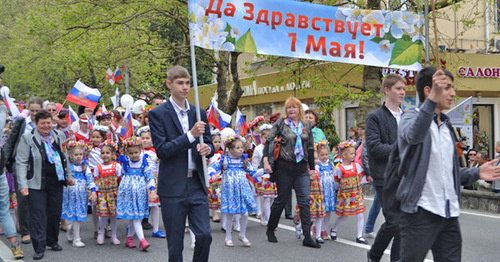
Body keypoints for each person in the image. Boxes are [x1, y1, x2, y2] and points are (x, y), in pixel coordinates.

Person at [397, 67, 500, 261]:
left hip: (449, 214)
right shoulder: (409, 118)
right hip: (420, 212)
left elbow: (447, 172)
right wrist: (431, 102)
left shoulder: (447, 126)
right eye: (447, 88)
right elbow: (414, 135)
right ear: (430, 90)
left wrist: (477, 173)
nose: (453, 93)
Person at [149, 65, 214, 262]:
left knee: (204, 235)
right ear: (169, 84)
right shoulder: (158, 114)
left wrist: (208, 149)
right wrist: (190, 136)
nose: (185, 87)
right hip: (173, 186)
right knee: (175, 244)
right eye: (180, 83)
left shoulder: (199, 112)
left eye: (187, 83)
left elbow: (209, 141)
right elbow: (163, 150)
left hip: (196, 183)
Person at [16, 110, 74, 260]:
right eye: (43, 123)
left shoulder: (58, 136)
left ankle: (52, 241)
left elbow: (64, 157)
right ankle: (39, 247)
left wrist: (69, 175)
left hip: (56, 181)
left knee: (54, 213)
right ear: (36, 124)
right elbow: (21, 161)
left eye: (48, 122)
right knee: (38, 216)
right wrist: (22, 184)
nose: (46, 126)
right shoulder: (28, 138)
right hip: (35, 183)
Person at [263, 96, 320, 248]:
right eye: (289, 107)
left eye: (294, 107)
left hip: (301, 168)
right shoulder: (281, 123)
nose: (291, 110)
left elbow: (309, 147)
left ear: (299, 109)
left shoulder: (305, 124)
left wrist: (312, 168)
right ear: (286, 110)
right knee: (281, 199)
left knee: (304, 203)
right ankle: (270, 229)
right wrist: (265, 160)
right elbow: (269, 140)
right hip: (284, 167)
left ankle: (307, 237)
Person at [365, 74, 406, 262]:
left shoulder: (406, 117)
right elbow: (374, 148)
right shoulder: (375, 117)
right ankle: (374, 254)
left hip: (405, 176)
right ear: (387, 90)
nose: (403, 92)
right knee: (394, 221)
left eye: (404, 89)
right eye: (399, 88)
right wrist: (402, 149)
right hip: (384, 176)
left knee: (402, 224)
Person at [2, 97, 44, 246]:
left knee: (38, 199)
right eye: (32, 110)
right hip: (20, 164)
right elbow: (11, 140)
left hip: (38, 165)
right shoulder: (21, 123)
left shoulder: (44, 124)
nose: (34, 113)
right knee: (23, 199)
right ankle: (25, 232)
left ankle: (38, 228)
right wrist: (6, 161)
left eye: (37, 110)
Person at [209, 134, 264, 247]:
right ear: (231, 150)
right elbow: (211, 168)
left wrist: (265, 171)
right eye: (238, 148)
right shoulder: (224, 161)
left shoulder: (243, 161)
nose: (241, 150)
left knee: (244, 213)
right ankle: (228, 237)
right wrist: (213, 175)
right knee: (230, 213)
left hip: (242, 189)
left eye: (241, 147)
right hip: (230, 190)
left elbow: (253, 172)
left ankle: (242, 235)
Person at [117, 136, 158, 251]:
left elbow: (149, 176)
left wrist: (152, 189)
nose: (134, 155)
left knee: (136, 217)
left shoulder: (143, 162)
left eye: (136, 152)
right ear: (127, 153)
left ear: (140, 150)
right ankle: (142, 240)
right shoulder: (126, 163)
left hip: (140, 193)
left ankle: (129, 238)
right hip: (129, 193)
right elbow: (123, 175)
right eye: (131, 153)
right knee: (135, 216)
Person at [330, 140, 370, 244]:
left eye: (354, 153)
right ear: (343, 155)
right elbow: (336, 182)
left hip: (356, 194)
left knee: (360, 214)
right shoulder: (339, 168)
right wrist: (338, 192)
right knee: (344, 216)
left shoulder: (356, 166)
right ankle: (334, 229)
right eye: (351, 153)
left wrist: (369, 178)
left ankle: (359, 236)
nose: (353, 156)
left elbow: (361, 177)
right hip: (345, 196)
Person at [61, 141, 96, 248]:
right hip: (70, 194)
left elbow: (90, 178)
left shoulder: (85, 166)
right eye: (76, 155)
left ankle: (74, 234)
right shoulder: (68, 166)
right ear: (71, 155)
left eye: (80, 154)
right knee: (74, 216)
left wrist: (93, 191)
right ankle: (76, 237)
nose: (79, 157)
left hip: (81, 195)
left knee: (78, 217)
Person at [137, 126, 165, 238]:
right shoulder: (137, 152)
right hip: (140, 180)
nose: (144, 140)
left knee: (154, 205)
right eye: (142, 138)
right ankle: (135, 227)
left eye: (147, 138)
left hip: (153, 181)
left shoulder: (156, 153)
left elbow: (159, 167)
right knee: (139, 204)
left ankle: (156, 229)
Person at [92, 140, 122, 246]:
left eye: (107, 153)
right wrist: (94, 193)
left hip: (113, 194)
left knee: (113, 216)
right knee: (103, 215)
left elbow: (119, 179)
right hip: (102, 194)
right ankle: (101, 232)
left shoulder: (116, 166)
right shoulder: (98, 167)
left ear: (113, 154)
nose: (105, 155)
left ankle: (114, 235)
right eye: (103, 153)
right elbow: (95, 182)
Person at [251, 124, 277, 227]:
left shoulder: (275, 148)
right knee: (267, 198)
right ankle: (270, 221)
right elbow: (254, 164)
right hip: (264, 176)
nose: (268, 139)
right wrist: (254, 177)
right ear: (262, 137)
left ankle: (264, 217)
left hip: (273, 176)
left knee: (272, 199)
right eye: (266, 137)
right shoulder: (258, 148)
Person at [315, 140, 337, 242]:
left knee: (328, 212)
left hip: (330, 192)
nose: (324, 157)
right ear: (318, 155)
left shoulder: (330, 165)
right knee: (320, 212)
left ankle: (324, 230)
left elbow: (334, 177)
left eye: (326, 154)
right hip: (321, 192)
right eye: (322, 155)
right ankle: (317, 227)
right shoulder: (317, 166)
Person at [207, 129, 223, 223]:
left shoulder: (222, 154)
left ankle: (223, 214)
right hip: (211, 178)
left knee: (220, 197)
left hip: (220, 178)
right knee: (212, 196)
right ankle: (214, 213)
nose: (217, 144)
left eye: (219, 142)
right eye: (215, 142)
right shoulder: (209, 154)